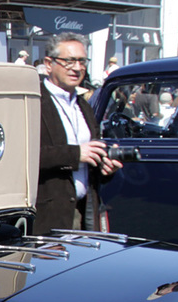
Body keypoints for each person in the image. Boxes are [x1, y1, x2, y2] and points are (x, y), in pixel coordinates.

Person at [34, 33, 120, 234]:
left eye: (82, 61)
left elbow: (89, 157)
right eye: (69, 61)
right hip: (48, 218)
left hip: (85, 213)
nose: (77, 67)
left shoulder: (84, 106)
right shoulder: (34, 102)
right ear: (49, 63)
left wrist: (105, 166)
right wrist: (75, 154)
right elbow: (23, 155)